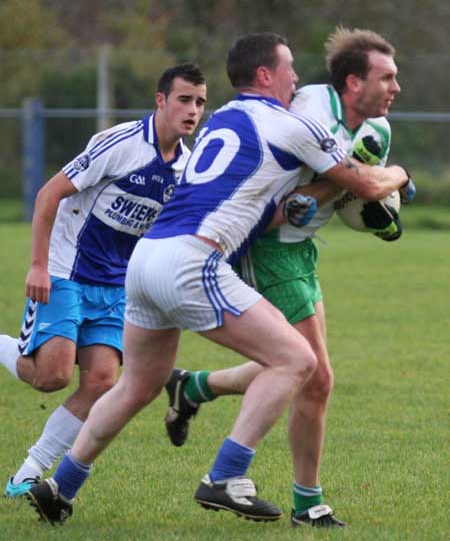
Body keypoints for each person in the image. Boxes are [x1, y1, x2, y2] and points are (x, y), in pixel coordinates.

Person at [26, 31, 414, 527]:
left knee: (137, 386)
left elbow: (261, 208)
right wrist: (399, 174)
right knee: (297, 360)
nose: (297, 77)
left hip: (145, 261)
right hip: (193, 261)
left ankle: (61, 486)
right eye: (289, 67)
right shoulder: (292, 124)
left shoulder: (219, 120)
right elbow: (364, 182)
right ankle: (227, 475)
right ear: (264, 75)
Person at [163, 27, 412, 528]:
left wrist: (375, 211)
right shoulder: (310, 107)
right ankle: (307, 502)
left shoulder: (377, 132)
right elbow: (343, 182)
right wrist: (399, 179)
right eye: (387, 77)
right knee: (315, 376)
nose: (396, 87)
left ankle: (193, 389)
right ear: (352, 83)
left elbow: (346, 197)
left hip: (303, 251)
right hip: (268, 245)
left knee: (301, 367)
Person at [0, 63, 207, 497]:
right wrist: (38, 265)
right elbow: (48, 195)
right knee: (51, 376)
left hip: (117, 284)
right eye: (184, 99)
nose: (193, 110)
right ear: (161, 100)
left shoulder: (187, 168)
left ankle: (27, 474)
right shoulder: (121, 143)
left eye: (200, 102)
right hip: (66, 268)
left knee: (100, 382)